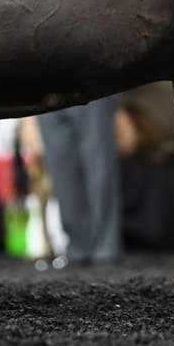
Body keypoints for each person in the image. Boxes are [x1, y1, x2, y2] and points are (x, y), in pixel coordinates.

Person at [34, 96, 122, 267]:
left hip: (92, 80)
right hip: (44, 82)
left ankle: (105, 249)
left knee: (99, 166)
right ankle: (76, 248)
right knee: (60, 169)